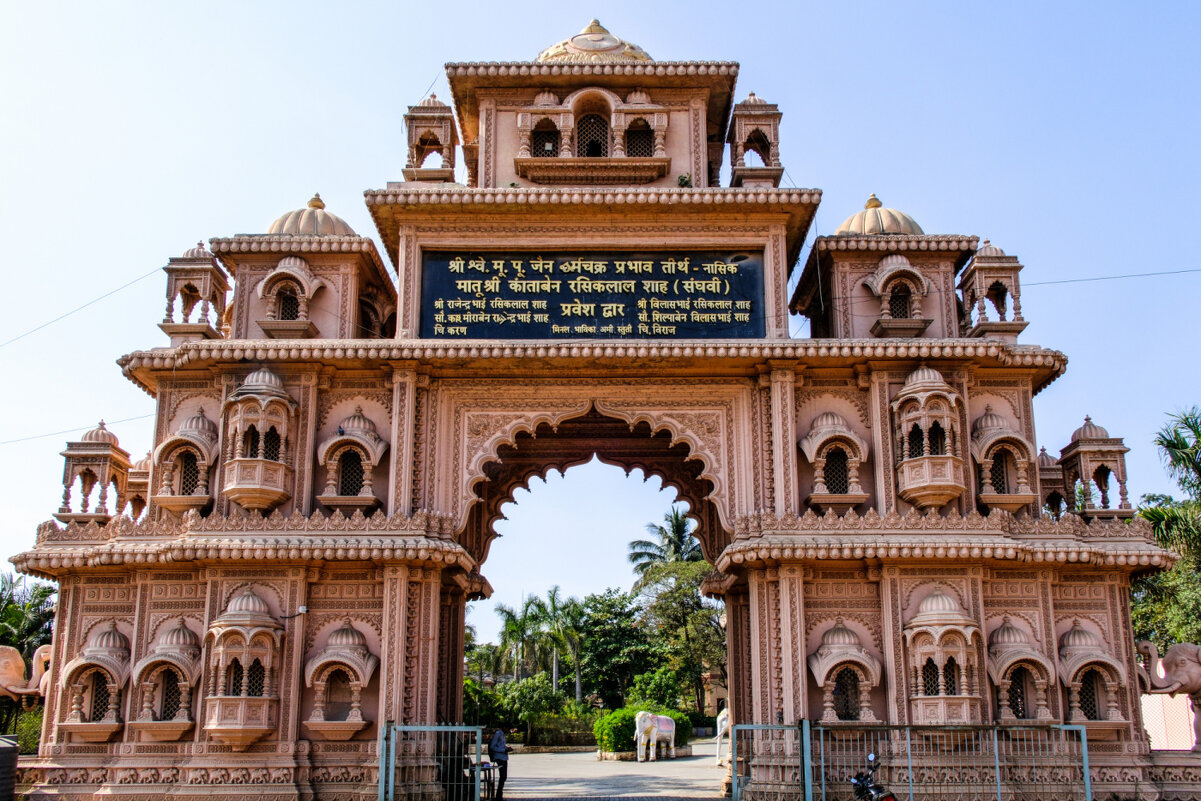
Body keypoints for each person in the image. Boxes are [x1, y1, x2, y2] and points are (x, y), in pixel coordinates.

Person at [488, 727, 512, 801]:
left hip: (504, 757)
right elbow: (492, 746)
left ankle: (499, 794)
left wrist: (506, 748)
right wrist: (503, 750)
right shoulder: (498, 733)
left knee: (503, 777)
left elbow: (500, 745)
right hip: (499, 757)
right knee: (502, 776)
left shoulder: (503, 734)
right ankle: (498, 796)